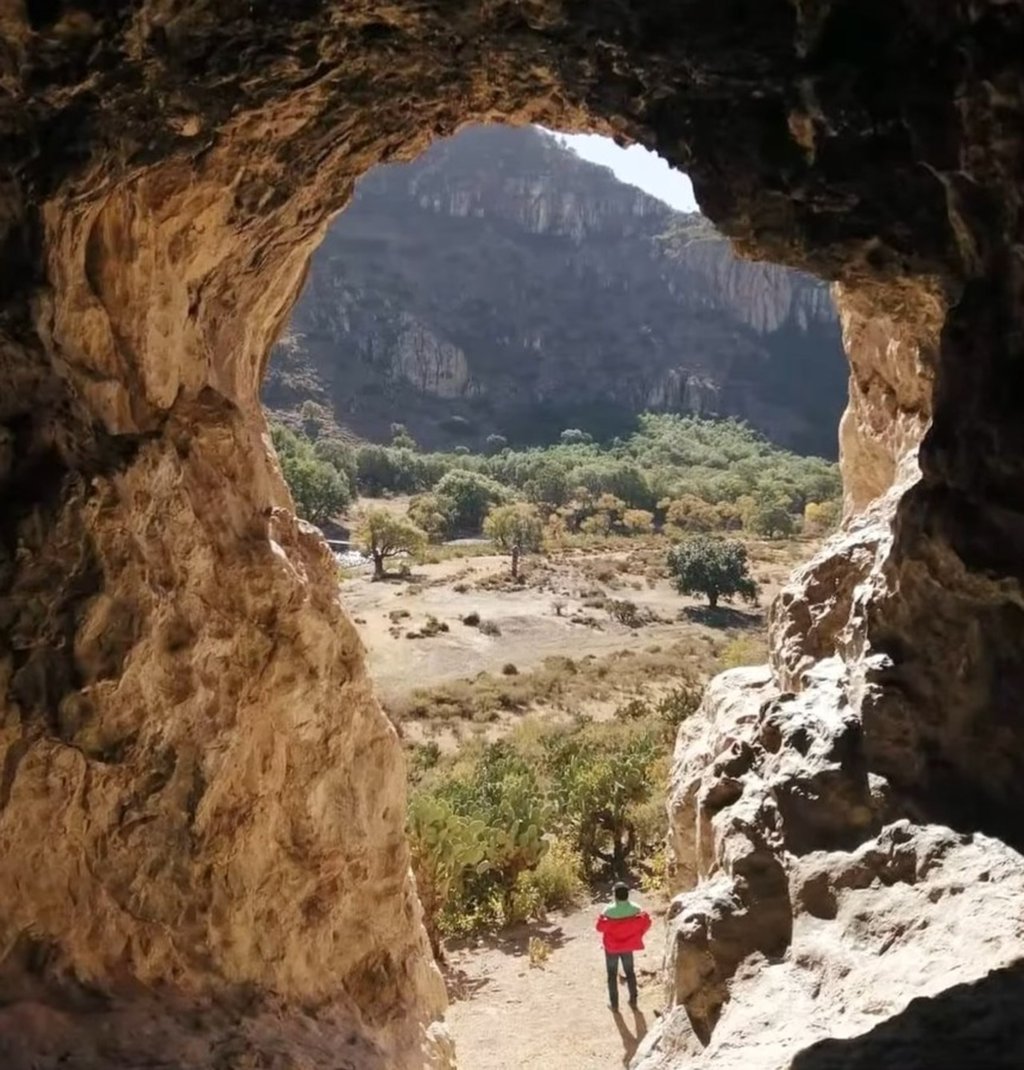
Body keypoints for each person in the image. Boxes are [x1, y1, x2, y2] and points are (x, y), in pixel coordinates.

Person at [596, 881, 651, 1012]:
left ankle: (614, 1004)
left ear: (615, 895)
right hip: (628, 946)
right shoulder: (636, 908)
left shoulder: (608, 910)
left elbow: (599, 927)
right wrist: (639, 934)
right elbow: (646, 922)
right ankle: (633, 1000)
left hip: (612, 948)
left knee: (612, 974)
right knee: (630, 973)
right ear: (627, 895)